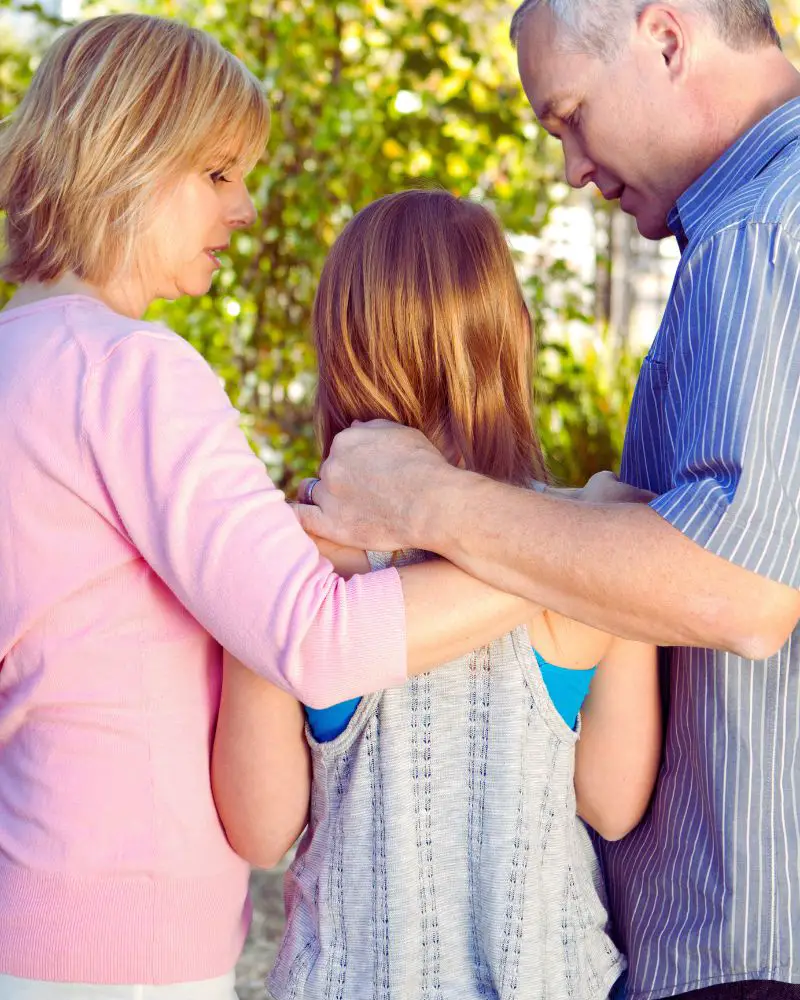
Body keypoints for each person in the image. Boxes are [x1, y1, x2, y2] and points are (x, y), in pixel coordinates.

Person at [0, 15, 554, 998]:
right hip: (122, 945)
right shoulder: (132, 370)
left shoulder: (20, 358)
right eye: (217, 175)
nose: (246, 208)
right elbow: (312, 635)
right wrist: (573, 549)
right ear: (128, 154)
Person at [294, 2, 800, 999]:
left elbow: (742, 592)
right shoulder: (737, 239)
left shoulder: (759, 233)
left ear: (664, 37)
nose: (570, 165)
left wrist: (425, 503)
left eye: (567, 113)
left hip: (746, 947)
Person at [214, 190, 662, 1000]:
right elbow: (615, 803)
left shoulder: (296, 560)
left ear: (342, 349)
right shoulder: (589, 552)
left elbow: (259, 828)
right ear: (509, 336)